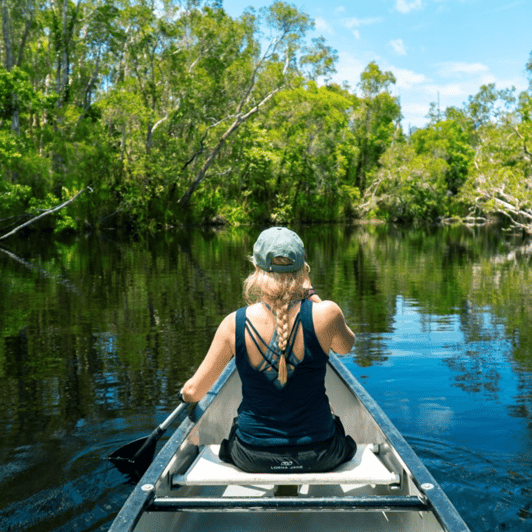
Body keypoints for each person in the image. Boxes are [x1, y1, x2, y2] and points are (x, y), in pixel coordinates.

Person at [180, 227, 356, 473]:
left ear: (256, 270)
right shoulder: (327, 313)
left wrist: (184, 396)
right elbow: (346, 347)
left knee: (234, 429)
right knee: (339, 428)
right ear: (303, 271)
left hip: (252, 456)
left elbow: (194, 391)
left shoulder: (234, 324)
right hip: (320, 453)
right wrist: (312, 294)